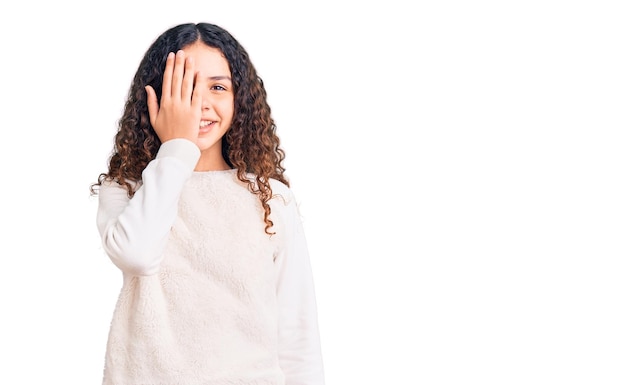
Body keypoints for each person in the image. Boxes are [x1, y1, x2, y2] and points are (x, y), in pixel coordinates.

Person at [90, 22, 325, 385]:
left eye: (217, 86)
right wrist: (177, 148)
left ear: (239, 98)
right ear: (156, 97)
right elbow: (137, 254)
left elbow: (297, 333)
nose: (199, 103)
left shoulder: (270, 198)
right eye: (183, 86)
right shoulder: (126, 190)